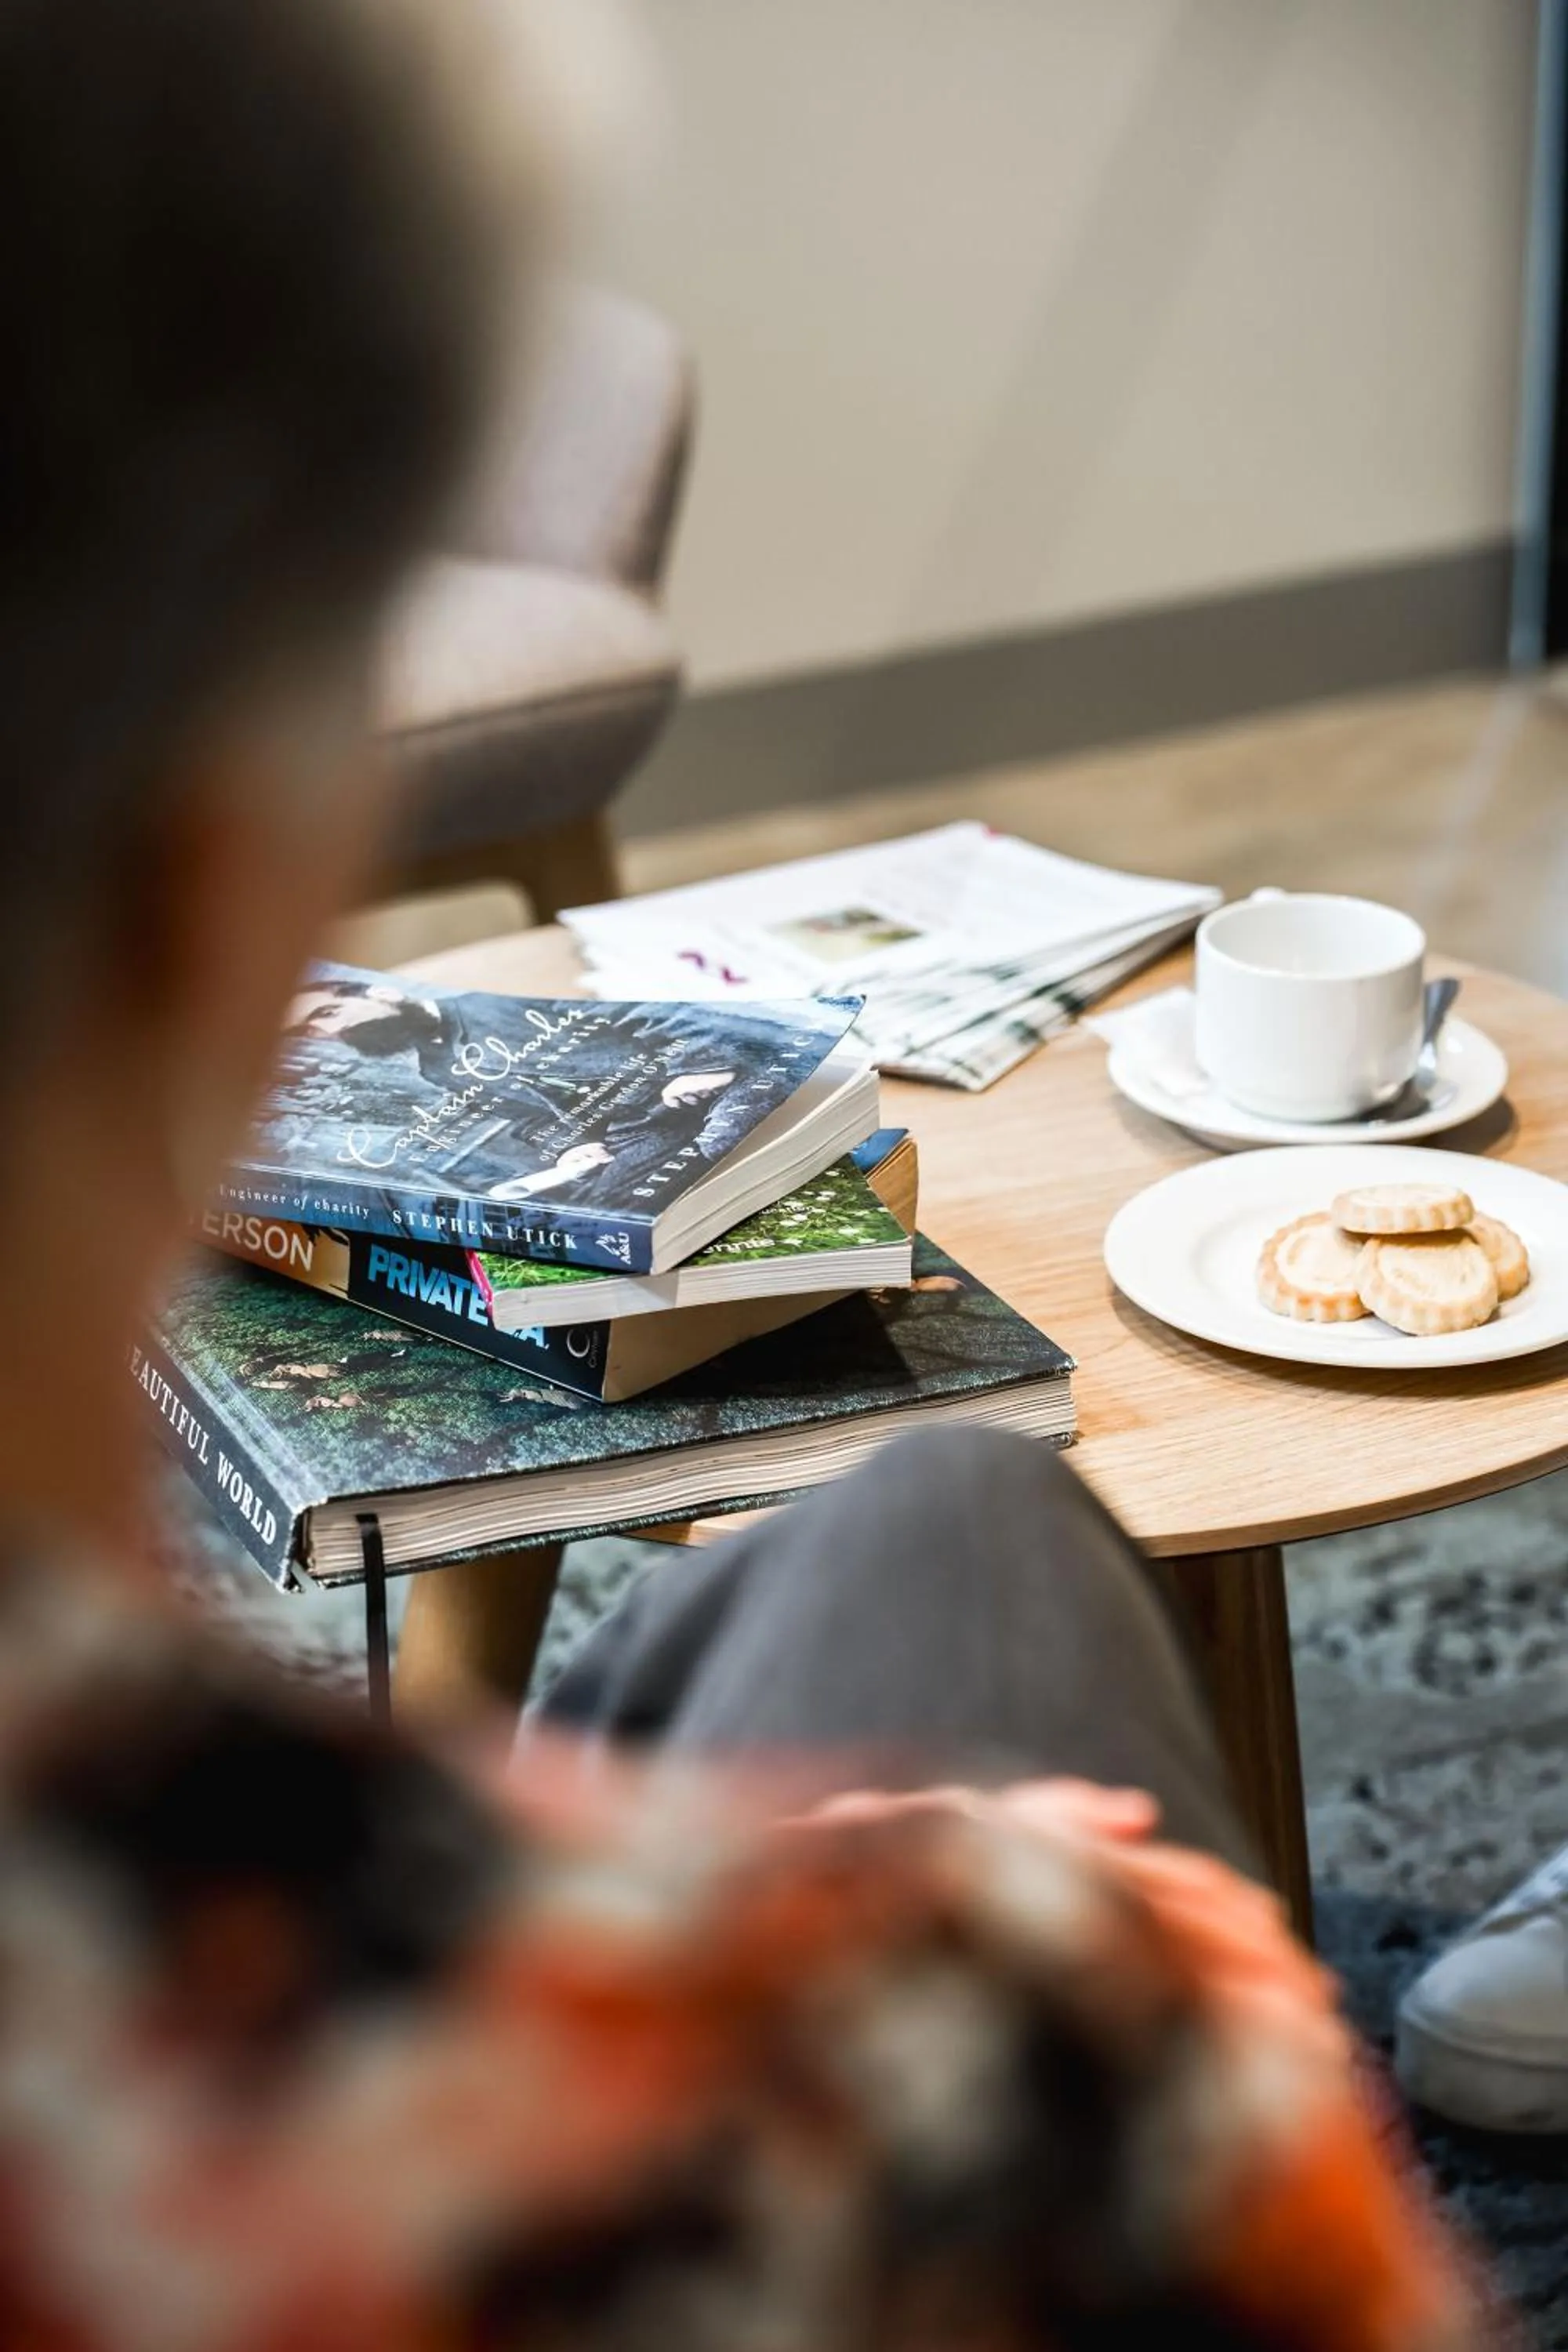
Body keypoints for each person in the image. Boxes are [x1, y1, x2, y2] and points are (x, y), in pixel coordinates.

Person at [0, 2, 1494, 2346]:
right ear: (236, 888)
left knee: (934, 1509)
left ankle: (467, 1766)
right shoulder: (1002, 2099)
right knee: (969, 1530)